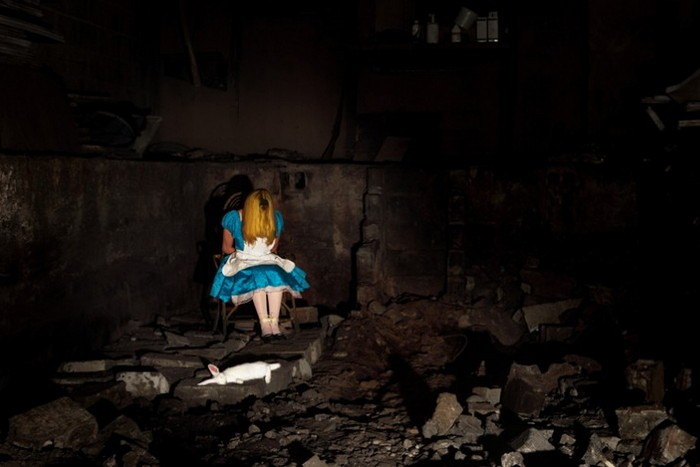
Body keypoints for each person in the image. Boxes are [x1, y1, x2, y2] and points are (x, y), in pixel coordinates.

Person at [209, 188, 310, 342]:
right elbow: (226, 248)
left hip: (265, 259)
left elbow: (273, 248)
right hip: (243, 261)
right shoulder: (235, 218)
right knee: (258, 275)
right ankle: (265, 325)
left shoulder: (275, 218)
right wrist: (243, 254)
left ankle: (274, 324)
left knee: (274, 273)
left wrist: (262, 255)